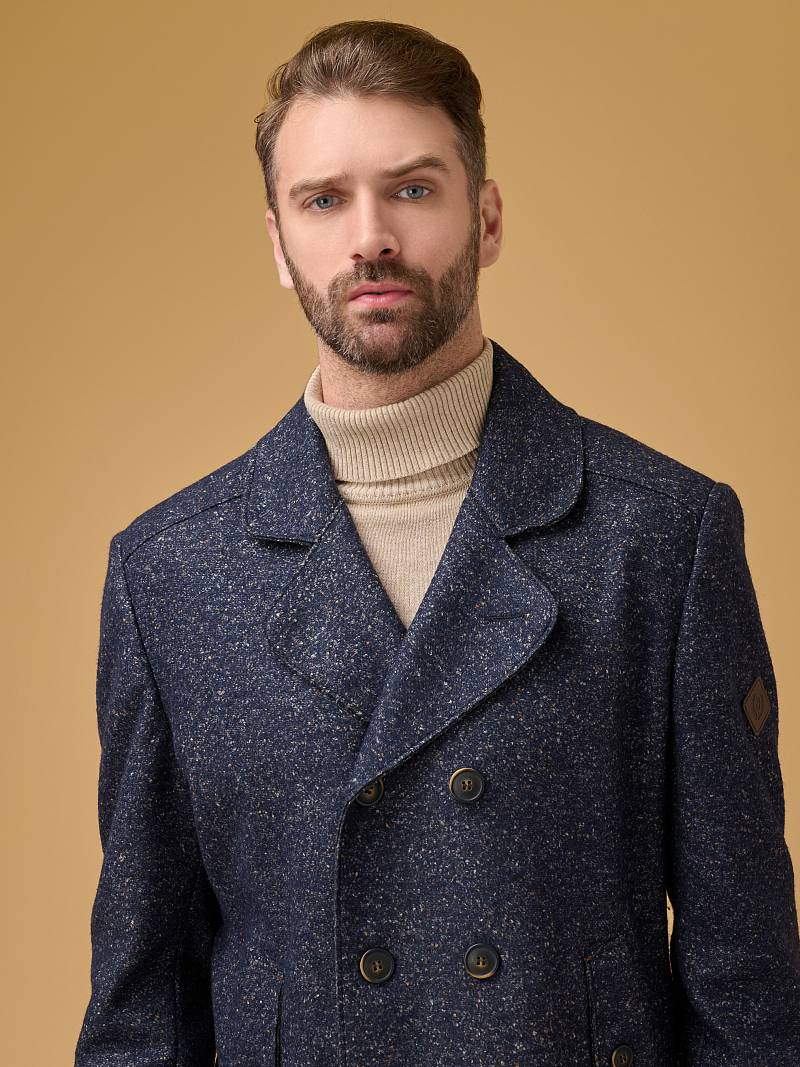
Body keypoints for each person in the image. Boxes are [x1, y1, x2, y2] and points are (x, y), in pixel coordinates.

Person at [74, 19, 800, 1067]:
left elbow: (748, 983)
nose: (369, 236)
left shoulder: (662, 535)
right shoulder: (170, 572)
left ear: (486, 217)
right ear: (278, 243)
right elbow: (141, 1005)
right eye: (323, 200)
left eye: (411, 189)